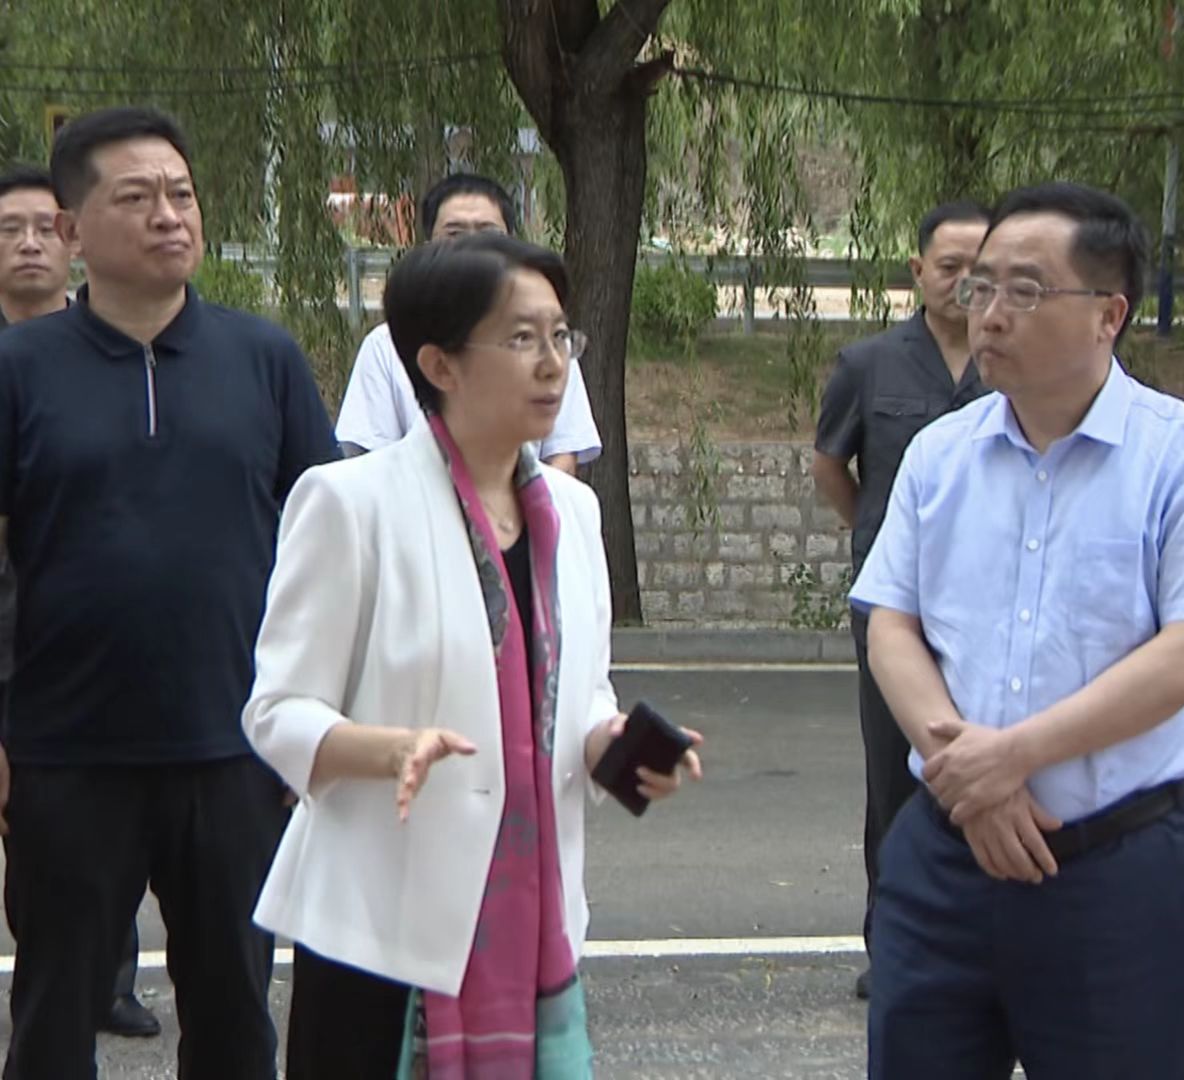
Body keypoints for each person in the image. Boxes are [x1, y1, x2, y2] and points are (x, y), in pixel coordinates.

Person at [244, 231, 702, 1079]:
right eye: (522, 338)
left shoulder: (572, 513)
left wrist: (614, 746)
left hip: (532, 917)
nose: (553, 364)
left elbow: (581, 694)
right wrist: (388, 748)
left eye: (561, 335)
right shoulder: (350, 503)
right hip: (382, 927)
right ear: (440, 365)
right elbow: (276, 711)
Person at [852, 181, 1184, 1079]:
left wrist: (1015, 756)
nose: (990, 313)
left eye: (1026, 289)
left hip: (1111, 874)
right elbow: (891, 622)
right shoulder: (940, 456)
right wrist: (975, 781)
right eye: (980, 287)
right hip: (944, 861)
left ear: (1109, 314)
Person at [0, 106, 338, 1079]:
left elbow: (324, 551)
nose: (168, 216)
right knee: (53, 1019)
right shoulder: (18, 370)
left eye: (181, 195)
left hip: (235, 750)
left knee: (235, 1019)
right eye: (137, 197)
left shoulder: (263, 360)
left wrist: (311, 721)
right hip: (65, 754)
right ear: (72, 229)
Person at [811, 200, 990, 999]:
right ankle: (893, 948)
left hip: (988, 604)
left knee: (979, 765)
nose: (965, 282)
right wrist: (876, 537)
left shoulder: (1013, 366)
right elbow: (830, 466)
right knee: (894, 779)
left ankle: (980, 942)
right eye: (949, 267)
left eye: (980, 269)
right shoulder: (870, 364)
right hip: (893, 609)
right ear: (918, 272)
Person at [0, 164, 163, 1043]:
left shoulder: (122, 351)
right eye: (8, 229)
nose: (28, 244)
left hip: (102, 643)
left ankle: (112, 980)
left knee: (115, 818)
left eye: (42, 227)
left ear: (70, 239)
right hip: (13, 637)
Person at [334, 172, 601, 472]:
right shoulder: (386, 345)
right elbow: (369, 458)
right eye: (455, 235)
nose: (473, 250)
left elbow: (563, 451)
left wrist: (533, 500)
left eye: (489, 236)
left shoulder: (551, 343)